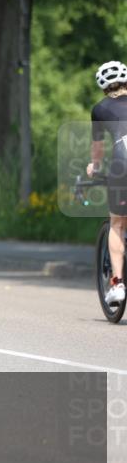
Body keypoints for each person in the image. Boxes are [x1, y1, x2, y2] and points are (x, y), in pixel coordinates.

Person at [88, 60, 127, 305]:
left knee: (117, 224)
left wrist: (95, 168)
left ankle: (118, 284)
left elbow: (97, 149)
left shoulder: (100, 109)